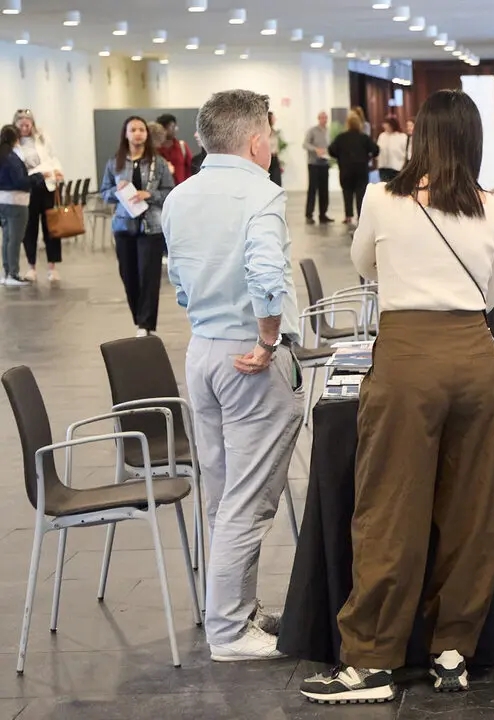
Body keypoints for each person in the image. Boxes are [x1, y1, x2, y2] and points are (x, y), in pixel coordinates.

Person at [299, 89, 494, 706]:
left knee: (390, 506)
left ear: (419, 139)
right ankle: (453, 651)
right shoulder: (491, 209)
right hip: (474, 354)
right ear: (472, 142)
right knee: (470, 508)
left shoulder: (383, 200)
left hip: (407, 354)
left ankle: (371, 660)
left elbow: (364, 265)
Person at [162, 89, 304, 662]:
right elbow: (267, 274)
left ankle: (233, 612)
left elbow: (178, 281)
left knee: (222, 494)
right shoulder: (261, 193)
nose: (270, 143)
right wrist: (268, 339)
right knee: (248, 499)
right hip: (249, 357)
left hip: (202, 353)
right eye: (268, 133)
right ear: (254, 139)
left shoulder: (179, 196)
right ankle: (228, 631)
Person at [101, 117, 175, 337]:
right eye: (133, 129)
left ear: (147, 134)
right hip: (123, 227)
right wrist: (117, 191)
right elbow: (104, 192)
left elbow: (170, 191)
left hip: (150, 227)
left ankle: (146, 324)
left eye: (141, 129)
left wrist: (149, 194)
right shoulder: (114, 163)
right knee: (129, 276)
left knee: (149, 277)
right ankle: (139, 318)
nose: (138, 133)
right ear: (125, 134)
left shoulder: (158, 163)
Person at [12, 110, 63, 284]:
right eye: (22, 125)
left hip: (47, 185)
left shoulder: (42, 138)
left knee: (51, 227)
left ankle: (52, 268)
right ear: (16, 125)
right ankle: (31, 267)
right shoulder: (12, 144)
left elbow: (52, 157)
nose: (25, 127)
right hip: (28, 188)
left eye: (28, 124)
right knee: (29, 229)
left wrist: (57, 171)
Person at [329, 114, 379, 224]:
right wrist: (368, 157)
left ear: (348, 124)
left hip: (346, 169)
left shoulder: (341, 137)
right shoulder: (364, 138)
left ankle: (348, 216)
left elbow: (331, 150)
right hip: (361, 169)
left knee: (347, 192)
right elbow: (376, 150)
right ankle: (361, 216)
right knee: (361, 193)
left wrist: (340, 157)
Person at [0, 125, 29, 287]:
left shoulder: (2, 155)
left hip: (2, 201)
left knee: (7, 238)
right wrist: (37, 177)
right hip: (16, 202)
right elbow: (20, 182)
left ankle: (6, 272)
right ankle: (13, 273)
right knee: (15, 239)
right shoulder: (12, 158)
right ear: (15, 139)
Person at [303, 111, 333, 224]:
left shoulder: (328, 131)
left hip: (324, 163)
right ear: (318, 118)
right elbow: (305, 144)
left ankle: (323, 214)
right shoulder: (312, 131)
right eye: (322, 118)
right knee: (312, 189)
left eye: (326, 118)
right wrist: (316, 150)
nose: (324, 120)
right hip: (314, 164)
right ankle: (309, 215)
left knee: (324, 190)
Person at [156, 113, 194, 185]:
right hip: (161, 192)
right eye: (166, 127)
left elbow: (191, 168)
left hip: (181, 189)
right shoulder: (154, 149)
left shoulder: (182, 146)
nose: (169, 130)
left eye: (173, 126)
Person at [375, 117, 407, 183]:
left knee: (395, 189)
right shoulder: (382, 136)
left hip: (397, 167)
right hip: (383, 167)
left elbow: (406, 152)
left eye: (388, 126)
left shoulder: (402, 136)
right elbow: (378, 150)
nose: (386, 128)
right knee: (384, 187)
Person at [267, 111, 284, 186]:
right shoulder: (266, 131)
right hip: (268, 158)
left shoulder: (274, 131)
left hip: (275, 158)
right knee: (270, 182)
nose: (275, 119)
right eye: (273, 118)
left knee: (277, 182)